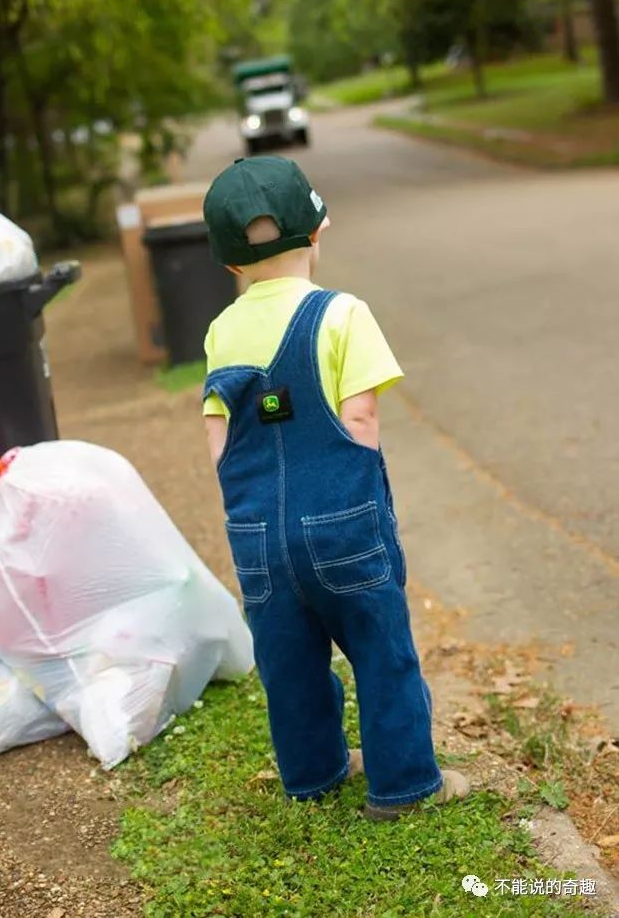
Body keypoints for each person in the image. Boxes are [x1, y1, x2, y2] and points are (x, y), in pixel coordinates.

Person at [201, 155, 469, 819]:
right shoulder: (343, 314)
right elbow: (360, 417)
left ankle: (313, 774)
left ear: (229, 263)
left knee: (288, 664)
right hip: (340, 520)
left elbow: (220, 438)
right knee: (381, 650)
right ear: (317, 233)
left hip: (257, 533)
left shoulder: (221, 331)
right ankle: (406, 784)